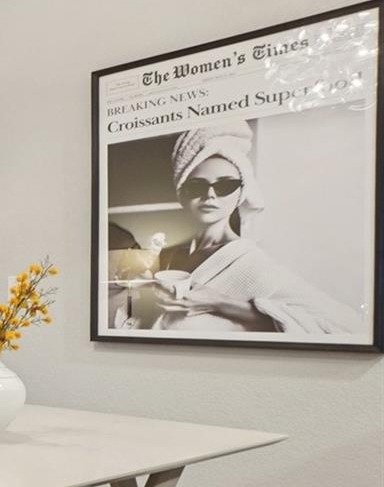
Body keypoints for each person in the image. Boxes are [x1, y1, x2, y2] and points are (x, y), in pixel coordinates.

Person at [153, 122, 362, 335]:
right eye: (197, 186)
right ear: (181, 193)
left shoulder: (250, 262)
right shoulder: (172, 254)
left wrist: (220, 303)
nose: (210, 195)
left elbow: (345, 326)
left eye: (225, 186)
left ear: (240, 193)